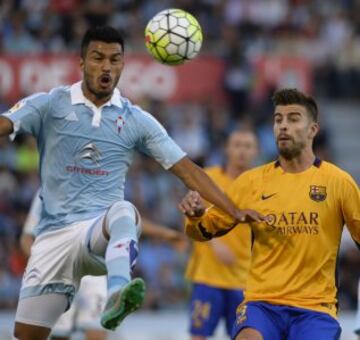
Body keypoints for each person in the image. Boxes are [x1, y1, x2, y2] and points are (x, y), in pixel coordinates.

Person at [0, 26, 263, 340]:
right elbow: (5, 123)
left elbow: (188, 171)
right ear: (82, 62)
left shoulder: (137, 119)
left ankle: (118, 291)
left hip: (98, 234)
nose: (106, 66)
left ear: (123, 65)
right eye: (98, 58)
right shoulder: (50, 104)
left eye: (115, 59)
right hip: (52, 238)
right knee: (27, 335)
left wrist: (233, 210)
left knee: (124, 211)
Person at [180, 88, 360, 340]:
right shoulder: (251, 182)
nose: (283, 126)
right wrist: (196, 215)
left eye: (293, 118)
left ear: (313, 130)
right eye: (278, 120)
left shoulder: (339, 183)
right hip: (261, 304)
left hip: (315, 308)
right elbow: (203, 231)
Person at [20, 190, 187, 340]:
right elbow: (26, 238)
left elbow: (124, 220)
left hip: (93, 275)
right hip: (61, 273)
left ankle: (115, 292)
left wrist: (165, 234)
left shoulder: (101, 183)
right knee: (59, 335)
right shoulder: (48, 188)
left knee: (97, 333)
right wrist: (46, 265)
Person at [186, 128, 258, 339]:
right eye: (237, 145)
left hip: (244, 279)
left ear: (256, 151)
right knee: (198, 335)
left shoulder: (260, 184)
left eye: (247, 146)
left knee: (242, 335)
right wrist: (213, 242)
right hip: (208, 276)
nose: (242, 151)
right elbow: (191, 215)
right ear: (227, 148)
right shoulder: (209, 178)